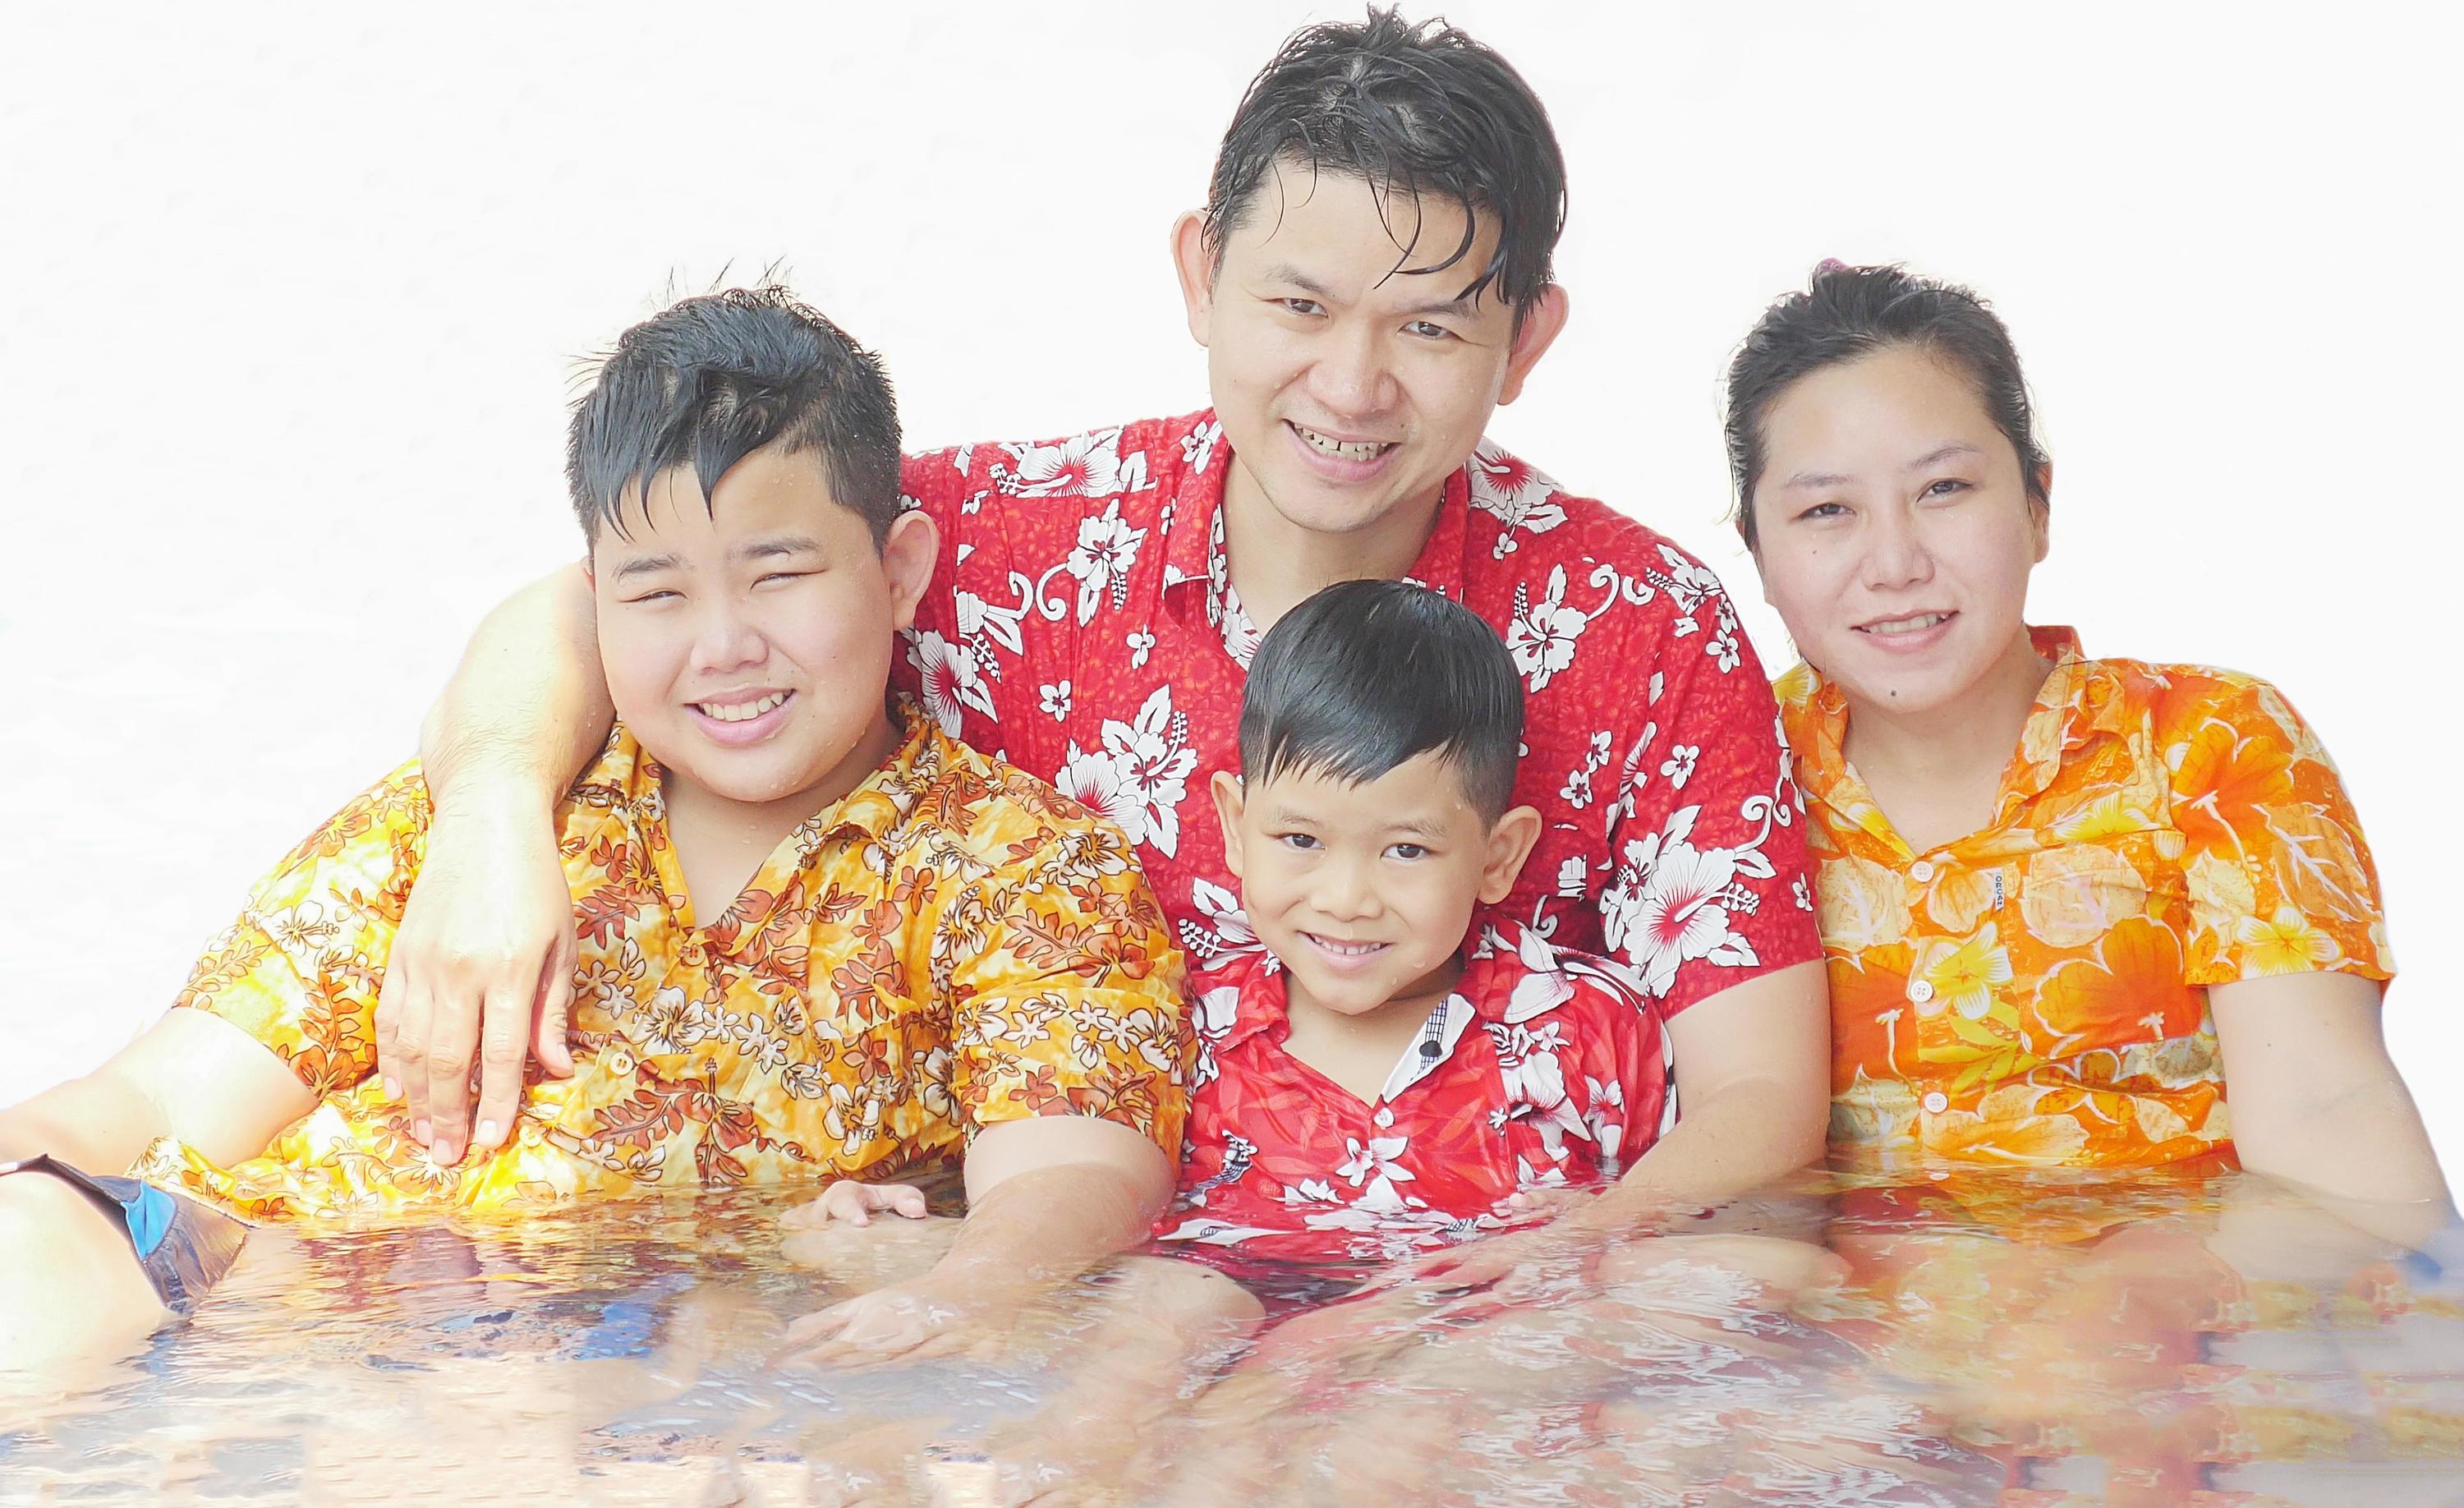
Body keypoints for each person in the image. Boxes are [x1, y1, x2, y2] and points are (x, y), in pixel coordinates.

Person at [385, 10, 1831, 1259]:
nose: (1352, 382)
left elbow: (1762, 1102)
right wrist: (493, 820)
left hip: (1478, 1287)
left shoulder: (1638, 626)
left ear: (1525, 342)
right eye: (1300, 304)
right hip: (1064, 1277)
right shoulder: (1015, 540)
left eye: (1432, 330)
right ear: (1201, 276)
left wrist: (1513, 1291)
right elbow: (609, 602)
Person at [0, 287, 1192, 1372]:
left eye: (776, 574)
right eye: (658, 592)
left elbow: (1076, 1175)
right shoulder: (490, 816)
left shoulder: (1016, 867)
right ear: (596, 594)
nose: (722, 645)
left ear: (898, 570)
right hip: (264, 1284)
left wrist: (952, 1296)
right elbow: (154, 1105)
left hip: (595, 1349)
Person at [1725, 260, 2448, 1216]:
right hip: (1840, 1342)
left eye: (1943, 488)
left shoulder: (2211, 743)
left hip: (2187, 1325)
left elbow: (2328, 1112)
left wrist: (2150, 1292)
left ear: (2037, 506)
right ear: (1757, 553)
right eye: (1827, 511)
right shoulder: (1718, 780)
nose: (1894, 562)